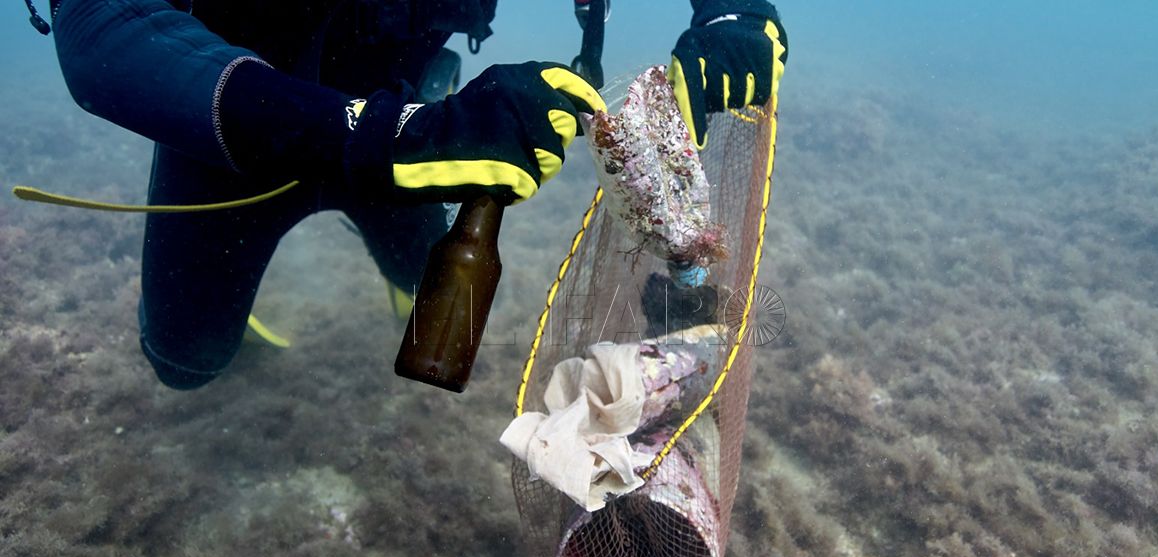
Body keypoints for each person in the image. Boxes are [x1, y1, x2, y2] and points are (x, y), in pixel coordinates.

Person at [43, 0, 787, 390]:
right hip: (239, 141)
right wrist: (385, 137)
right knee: (184, 363)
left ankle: (404, 278)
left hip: (415, 122)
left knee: (420, 272)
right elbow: (100, 21)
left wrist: (733, 8)